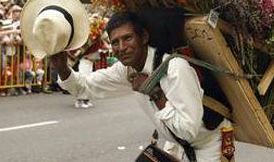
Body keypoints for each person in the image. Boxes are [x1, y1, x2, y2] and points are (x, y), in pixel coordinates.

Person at [49, 12, 233, 161]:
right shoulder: (126, 70)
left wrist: (154, 91)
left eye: (127, 38)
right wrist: (62, 68)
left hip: (210, 145)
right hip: (177, 145)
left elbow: (188, 130)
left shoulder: (175, 68)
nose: (121, 47)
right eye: (115, 42)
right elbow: (84, 86)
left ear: (143, 37)